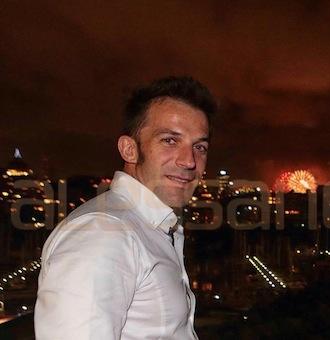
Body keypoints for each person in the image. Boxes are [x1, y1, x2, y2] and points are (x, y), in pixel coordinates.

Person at [34, 76, 216, 339]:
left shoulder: (151, 226)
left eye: (199, 146)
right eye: (169, 140)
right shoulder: (103, 233)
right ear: (129, 149)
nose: (189, 161)